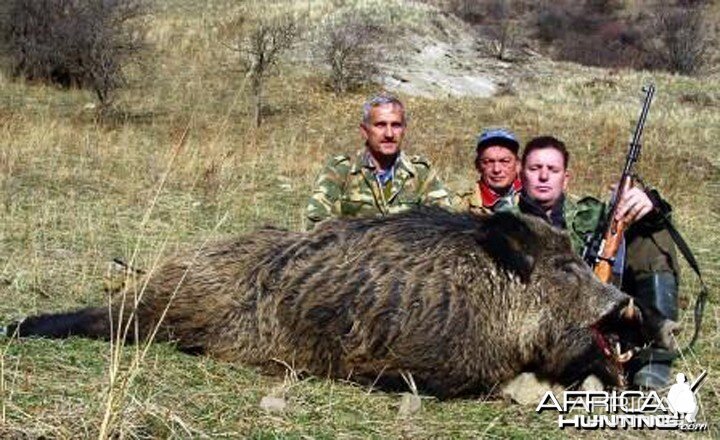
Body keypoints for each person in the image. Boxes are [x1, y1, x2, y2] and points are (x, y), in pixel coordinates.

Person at [517, 135, 680, 389]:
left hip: (600, 318)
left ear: (566, 178)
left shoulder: (591, 216)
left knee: (653, 235)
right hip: (537, 330)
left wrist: (651, 205)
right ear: (521, 173)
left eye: (553, 169)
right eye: (535, 168)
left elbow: (648, 221)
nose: (544, 176)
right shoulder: (503, 223)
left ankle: (654, 359)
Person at [306, 93, 450, 227]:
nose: (389, 134)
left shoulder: (421, 173)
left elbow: (444, 224)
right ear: (364, 131)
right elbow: (317, 226)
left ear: (404, 130)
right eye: (380, 125)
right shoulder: (340, 170)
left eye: (396, 125)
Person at [455, 128, 522, 215]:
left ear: (518, 165)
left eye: (504, 161)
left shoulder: (534, 197)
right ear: (478, 165)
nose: (496, 169)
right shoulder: (461, 205)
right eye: (488, 162)